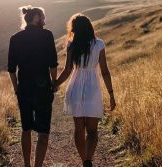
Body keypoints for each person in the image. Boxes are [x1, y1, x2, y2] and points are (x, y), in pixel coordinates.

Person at [55, 14, 116, 167]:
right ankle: (88, 159)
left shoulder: (71, 44)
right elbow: (105, 71)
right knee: (92, 131)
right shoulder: (99, 44)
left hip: (75, 88)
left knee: (79, 129)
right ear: (89, 27)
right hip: (92, 89)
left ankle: (84, 160)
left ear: (74, 29)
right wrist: (111, 94)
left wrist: (55, 84)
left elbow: (67, 70)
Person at [7, 5, 58, 167]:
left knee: (26, 129)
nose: (44, 20)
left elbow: (11, 69)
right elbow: (53, 64)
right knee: (43, 132)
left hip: (24, 89)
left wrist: (16, 88)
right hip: (43, 89)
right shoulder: (47, 35)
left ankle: (27, 166)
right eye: (42, 17)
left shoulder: (15, 38)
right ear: (36, 17)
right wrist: (54, 82)